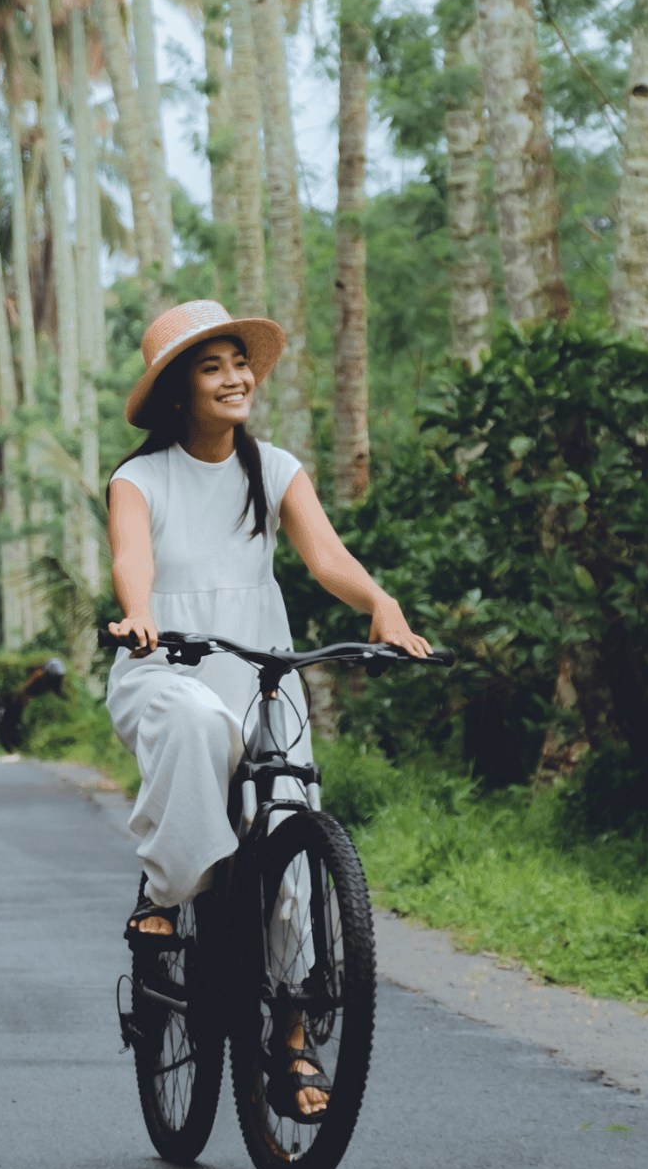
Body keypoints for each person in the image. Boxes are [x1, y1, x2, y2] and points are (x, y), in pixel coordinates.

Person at [103, 301, 434, 1115]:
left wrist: (381, 605)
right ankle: (167, 892)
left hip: (260, 666)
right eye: (211, 367)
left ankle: (290, 1044)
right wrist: (139, 613)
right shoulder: (139, 478)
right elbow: (131, 558)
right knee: (198, 724)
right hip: (167, 665)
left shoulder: (276, 468)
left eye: (238, 364)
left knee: (290, 846)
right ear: (180, 388)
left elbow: (326, 557)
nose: (234, 377)